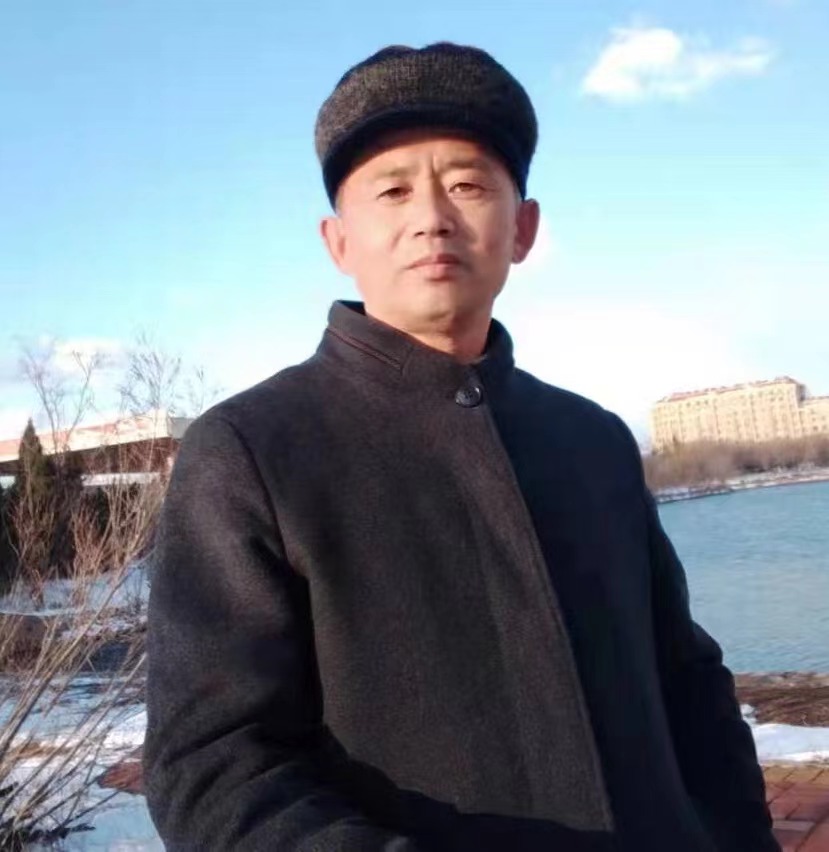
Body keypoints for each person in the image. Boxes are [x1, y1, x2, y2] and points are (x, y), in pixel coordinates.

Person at [143, 43, 779, 851]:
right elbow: (212, 768)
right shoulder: (249, 451)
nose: (431, 218)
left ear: (522, 228)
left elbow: (687, 681)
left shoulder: (592, 437)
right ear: (338, 241)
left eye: (468, 185)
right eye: (391, 190)